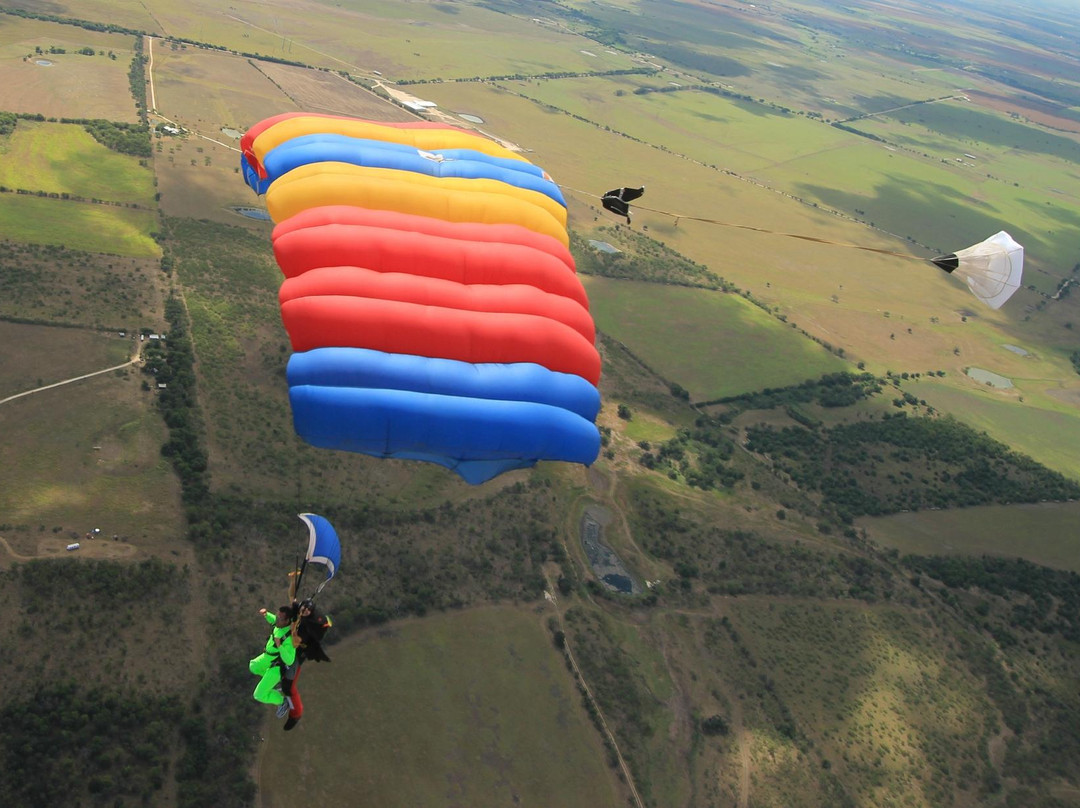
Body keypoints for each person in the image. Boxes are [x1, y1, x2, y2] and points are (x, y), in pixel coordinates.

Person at [280, 598, 332, 731]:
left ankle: (296, 714)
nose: (305, 611)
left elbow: (296, 642)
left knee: (289, 687)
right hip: (291, 651)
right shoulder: (300, 612)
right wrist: (293, 578)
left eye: (308, 610)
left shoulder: (307, 626)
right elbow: (292, 597)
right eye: (303, 608)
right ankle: (284, 696)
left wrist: (292, 629)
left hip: (298, 653)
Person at [249, 604, 300, 718]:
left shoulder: (290, 637)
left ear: (287, 621)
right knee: (253, 666)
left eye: (280, 618)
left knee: (259, 695)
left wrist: (279, 645)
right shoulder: (279, 624)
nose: (277, 620)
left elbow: (290, 660)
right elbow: (273, 621)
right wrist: (266, 615)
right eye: (277, 616)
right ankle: (275, 683)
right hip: (268, 657)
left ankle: (282, 701)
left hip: (277, 666)